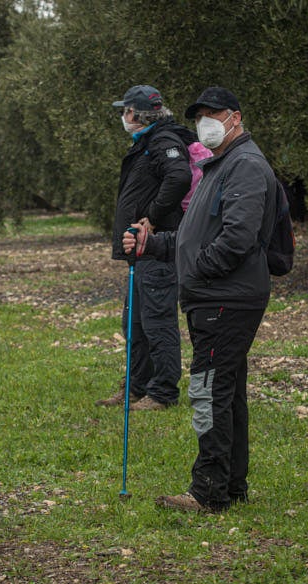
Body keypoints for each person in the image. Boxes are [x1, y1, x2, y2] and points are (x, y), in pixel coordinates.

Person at [123, 86, 281, 512]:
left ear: (236, 117)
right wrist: (151, 244)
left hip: (225, 297)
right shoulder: (220, 165)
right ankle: (230, 485)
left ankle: (208, 490)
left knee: (209, 390)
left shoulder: (244, 166)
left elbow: (236, 239)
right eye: (199, 115)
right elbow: (195, 237)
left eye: (214, 113)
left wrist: (196, 271)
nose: (205, 122)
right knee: (226, 391)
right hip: (220, 294)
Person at [95, 85, 194, 411]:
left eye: (124, 110)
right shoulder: (147, 143)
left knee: (157, 321)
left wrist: (150, 218)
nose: (122, 116)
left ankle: (163, 393)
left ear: (134, 114)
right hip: (141, 251)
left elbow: (178, 177)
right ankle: (136, 387)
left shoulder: (163, 141)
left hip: (157, 247)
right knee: (134, 322)